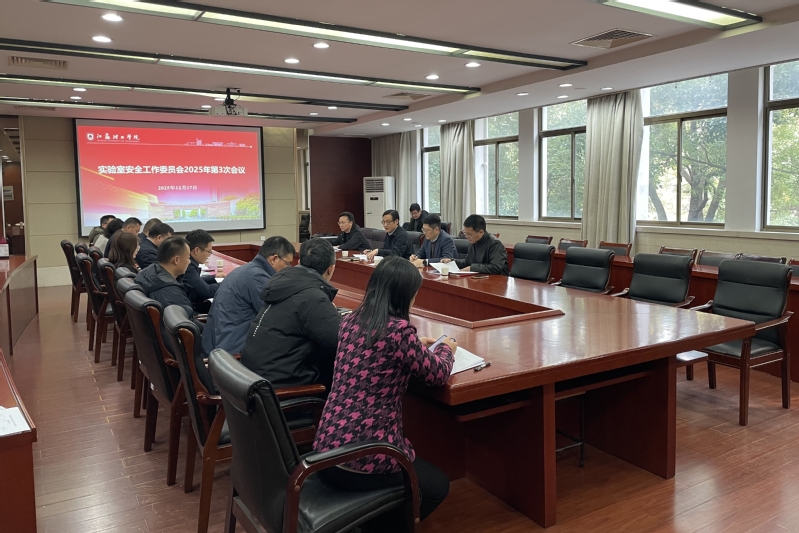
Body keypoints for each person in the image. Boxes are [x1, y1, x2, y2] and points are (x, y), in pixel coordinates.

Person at [313, 256, 455, 528]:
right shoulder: (399, 331)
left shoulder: (350, 321)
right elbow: (437, 373)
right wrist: (447, 348)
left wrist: (416, 346)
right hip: (364, 457)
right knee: (435, 487)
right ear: (404, 295)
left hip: (326, 452)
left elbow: (381, 351)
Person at [241, 238, 340, 390]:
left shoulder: (282, 284)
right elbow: (342, 341)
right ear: (331, 269)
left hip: (254, 376)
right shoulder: (312, 297)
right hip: (279, 387)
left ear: (299, 261)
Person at [202, 237, 295, 356]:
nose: (288, 269)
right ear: (274, 259)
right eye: (287, 264)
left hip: (216, 345)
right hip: (231, 354)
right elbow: (276, 318)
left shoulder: (246, 270)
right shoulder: (257, 278)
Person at [134, 236, 196, 321]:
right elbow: (187, 325)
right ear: (176, 260)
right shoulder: (171, 292)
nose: (189, 262)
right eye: (188, 258)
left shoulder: (148, 272)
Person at [443, 214, 508, 275]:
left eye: (469, 234)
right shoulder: (473, 241)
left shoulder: (495, 244)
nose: (467, 237)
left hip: (496, 280)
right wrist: (452, 261)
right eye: (465, 233)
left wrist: (472, 268)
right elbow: (467, 262)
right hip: (478, 278)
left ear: (481, 232)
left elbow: (496, 267)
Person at [183, 229, 218, 310]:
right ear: (197, 250)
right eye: (209, 251)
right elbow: (208, 292)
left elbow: (196, 282)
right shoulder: (187, 266)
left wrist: (215, 277)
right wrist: (226, 283)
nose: (209, 255)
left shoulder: (190, 263)